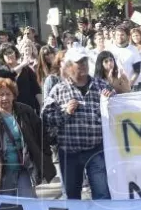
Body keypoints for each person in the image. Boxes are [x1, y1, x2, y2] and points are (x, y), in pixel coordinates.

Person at [41, 48, 114, 200]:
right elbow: (45, 116)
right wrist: (65, 113)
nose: (83, 65)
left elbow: (119, 111)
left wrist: (113, 99)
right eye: (78, 62)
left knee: (102, 194)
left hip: (96, 150)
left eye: (85, 61)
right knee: (72, 196)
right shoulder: (58, 90)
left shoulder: (102, 86)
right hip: (69, 153)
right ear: (68, 66)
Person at [0, 78, 55, 197]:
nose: (5, 98)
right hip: (0, 174)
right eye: (0, 94)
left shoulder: (26, 112)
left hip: (24, 170)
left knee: (28, 206)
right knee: (5, 208)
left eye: (8, 94)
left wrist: (45, 157)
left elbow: (42, 135)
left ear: (14, 96)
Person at [0, 44, 41, 112]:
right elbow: (10, 74)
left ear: (15, 53)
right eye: (5, 54)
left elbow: (36, 89)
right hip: (10, 108)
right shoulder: (0, 71)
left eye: (10, 52)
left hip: (28, 107)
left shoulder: (26, 69)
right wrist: (23, 64)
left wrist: (41, 105)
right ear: (2, 57)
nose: (9, 55)